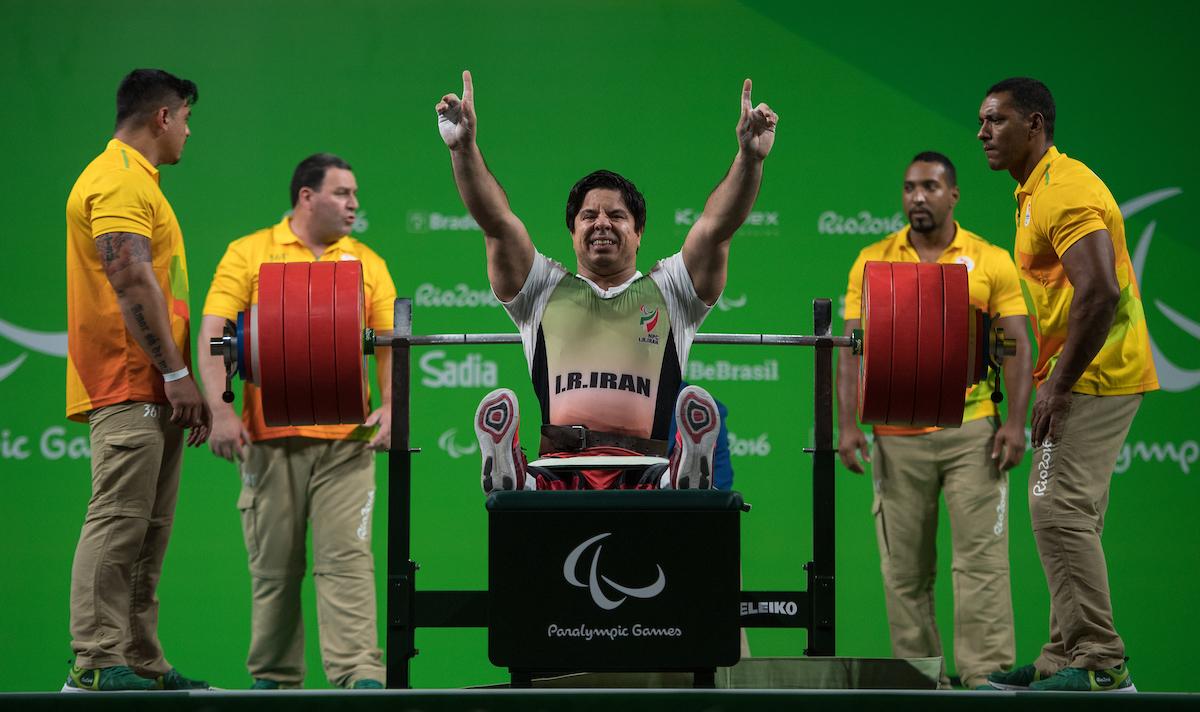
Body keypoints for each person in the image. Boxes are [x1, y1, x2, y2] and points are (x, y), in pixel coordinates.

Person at [435, 70, 777, 491]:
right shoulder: (540, 289)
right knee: (540, 491)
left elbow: (716, 227)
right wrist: (463, 149)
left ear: (638, 233)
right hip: (562, 465)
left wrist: (750, 157)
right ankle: (513, 476)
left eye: (616, 216)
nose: (602, 224)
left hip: (644, 466)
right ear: (572, 231)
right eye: (588, 215)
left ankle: (684, 471)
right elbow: (497, 223)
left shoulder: (673, 290)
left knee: (664, 485)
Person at [978, 78, 1158, 693]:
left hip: (1098, 373)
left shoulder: (1066, 190)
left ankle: (1103, 665)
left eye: (995, 121)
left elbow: (1101, 291)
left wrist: (1057, 386)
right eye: (981, 121)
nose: (982, 133)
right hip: (1082, 371)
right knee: (1069, 511)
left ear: (1034, 124)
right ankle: (1062, 657)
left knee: (1056, 508)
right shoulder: (1032, 194)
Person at [197, 153, 396, 689]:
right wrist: (219, 408)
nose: (354, 203)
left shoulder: (368, 263)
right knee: (274, 571)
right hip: (271, 442)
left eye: (355, 194)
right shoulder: (249, 253)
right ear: (306, 197)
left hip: (346, 446)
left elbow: (391, 345)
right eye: (342, 193)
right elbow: (215, 331)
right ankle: (274, 681)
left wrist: (392, 405)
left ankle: (360, 677)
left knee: (347, 562)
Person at [836, 151, 1032, 690]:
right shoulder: (872, 261)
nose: (916, 197)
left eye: (929, 187)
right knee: (904, 573)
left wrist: (1016, 423)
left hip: (973, 433)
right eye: (908, 188)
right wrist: (848, 425)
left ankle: (986, 677)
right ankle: (921, 680)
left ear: (953, 195)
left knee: (982, 564)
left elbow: (1016, 345)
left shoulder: (990, 259)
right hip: (896, 436)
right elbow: (851, 349)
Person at [63, 68, 211, 692]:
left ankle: (139, 660)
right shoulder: (119, 179)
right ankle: (96, 661)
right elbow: (127, 275)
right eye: (186, 120)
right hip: (130, 379)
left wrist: (175, 379)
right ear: (162, 117)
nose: (187, 133)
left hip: (153, 385)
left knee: (147, 530)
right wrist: (176, 371)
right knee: (119, 519)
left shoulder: (139, 182)